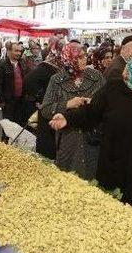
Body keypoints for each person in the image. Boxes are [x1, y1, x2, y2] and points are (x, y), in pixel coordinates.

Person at [50, 47, 132, 216]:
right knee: (116, 219)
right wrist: (67, 119)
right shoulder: (113, 89)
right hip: (117, 169)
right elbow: (91, 113)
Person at [40, 43, 105, 179]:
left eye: (85, 56)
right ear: (69, 58)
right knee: (68, 182)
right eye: (79, 57)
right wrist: (67, 104)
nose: (84, 60)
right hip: (68, 139)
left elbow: (107, 103)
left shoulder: (96, 77)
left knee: (93, 181)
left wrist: (93, 103)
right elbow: (45, 110)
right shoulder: (56, 80)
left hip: (92, 137)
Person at [23, 37, 65, 159]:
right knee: (47, 141)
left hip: (54, 108)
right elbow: (28, 81)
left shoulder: (58, 65)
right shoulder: (48, 66)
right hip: (47, 109)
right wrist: (42, 98)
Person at [0, 41, 28, 126]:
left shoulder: (22, 63)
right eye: (16, 51)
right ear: (9, 51)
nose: (19, 53)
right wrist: (1, 100)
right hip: (8, 101)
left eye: (20, 51)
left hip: (20, 100)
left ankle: (15, 140)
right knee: (8, 125)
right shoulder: (2, 65)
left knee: (18, 124)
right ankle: (5, 139)